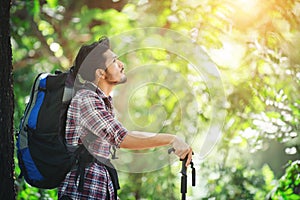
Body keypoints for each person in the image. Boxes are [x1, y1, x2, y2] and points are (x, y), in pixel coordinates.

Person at [58, 37, 193, 200]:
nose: (122, 65)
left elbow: (124, 134)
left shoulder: (101, 102)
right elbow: (122, 138)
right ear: (100, 73)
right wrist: (171, 139)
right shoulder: (86, 100)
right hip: (82, 192)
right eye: (114, 61)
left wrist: (173, 139)